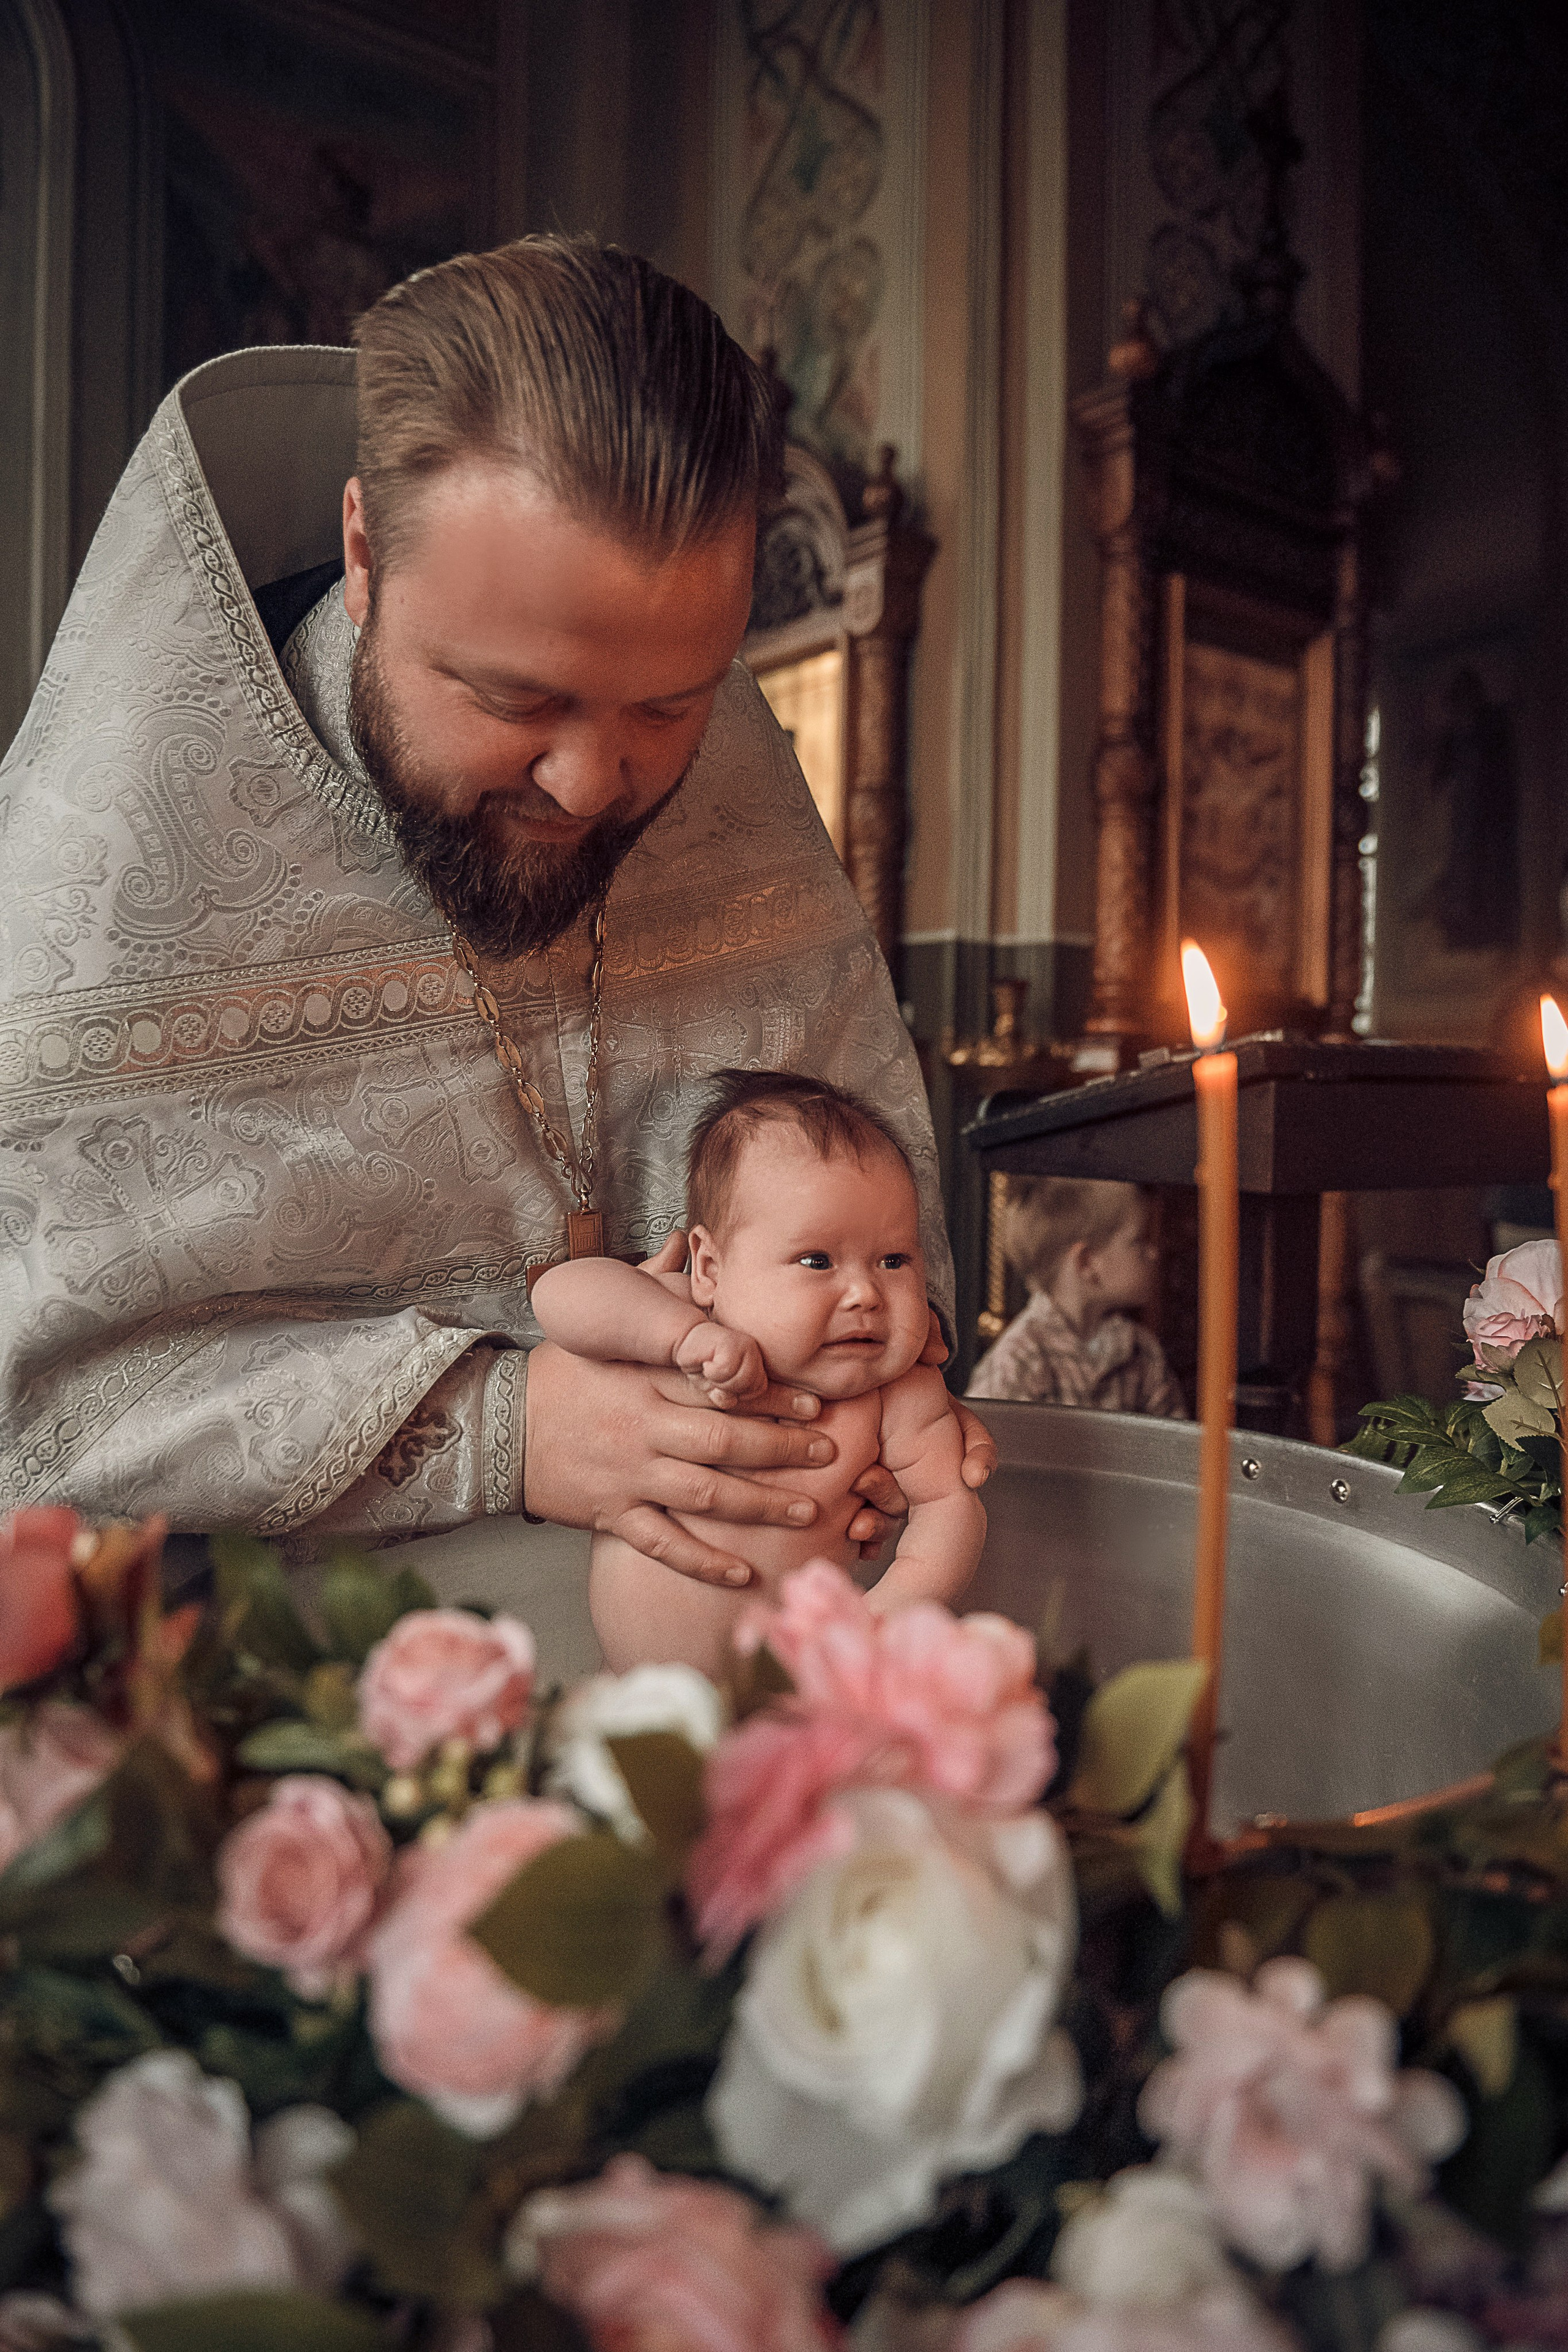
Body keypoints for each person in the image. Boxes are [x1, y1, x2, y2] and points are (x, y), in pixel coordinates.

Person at [0, 234, 994, 1594]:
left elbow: (861, 1199)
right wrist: (505, 1429)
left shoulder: (733, 782)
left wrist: (867, 1382)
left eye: (667, 706)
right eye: (516, 701)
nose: (591, 784)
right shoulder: (105, 863)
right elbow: (32, 1389)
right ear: (366, 552)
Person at [532, 1072, 986, 1673]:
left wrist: (878, 1619)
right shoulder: (686, 1319)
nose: (865, 1292)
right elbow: (561, 1296)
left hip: (792, 1694)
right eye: (817, 1260)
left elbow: (951, 1508)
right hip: (635, 1697)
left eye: (893, 1260)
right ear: (712, 1267)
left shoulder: (898, 1394)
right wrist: (677, 1336)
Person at [966, 1179, 1185, 1417]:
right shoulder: (1019, 1360)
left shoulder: (1142, 1350)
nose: (1152, 1253)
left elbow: (1175, 1446)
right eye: (1138, 1241)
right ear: (1086, 1263)